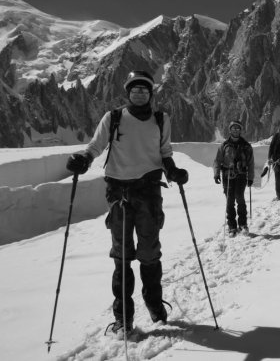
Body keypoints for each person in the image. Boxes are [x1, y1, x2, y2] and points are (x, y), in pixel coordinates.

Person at [65, 70, 188, 334]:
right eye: (135, 90)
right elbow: (95, 146)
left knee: (149, 252)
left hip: (149, 190)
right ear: (128, 93)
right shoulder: (114, 117)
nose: (140, 94)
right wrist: (84, 159)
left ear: (150, 94)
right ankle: (124, 317)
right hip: (118, 191)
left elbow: (165, 151)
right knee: (122, 256)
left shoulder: (160, 119)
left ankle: (154, 305)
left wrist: (173, 170)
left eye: (144, 90)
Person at [213, 120, 254, 236]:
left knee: (240, 198)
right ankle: (232, 226)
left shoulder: (246, 146)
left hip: (241, 176)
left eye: (238, 128)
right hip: (227, 176)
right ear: (230, 130)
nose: (235, 130)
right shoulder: (224, 145)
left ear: (240, 130)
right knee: (230, 201)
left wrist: (250, 178)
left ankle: (242, 224)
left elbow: (251, 163)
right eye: (233, 128)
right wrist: (216, 174)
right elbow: (217, 160)